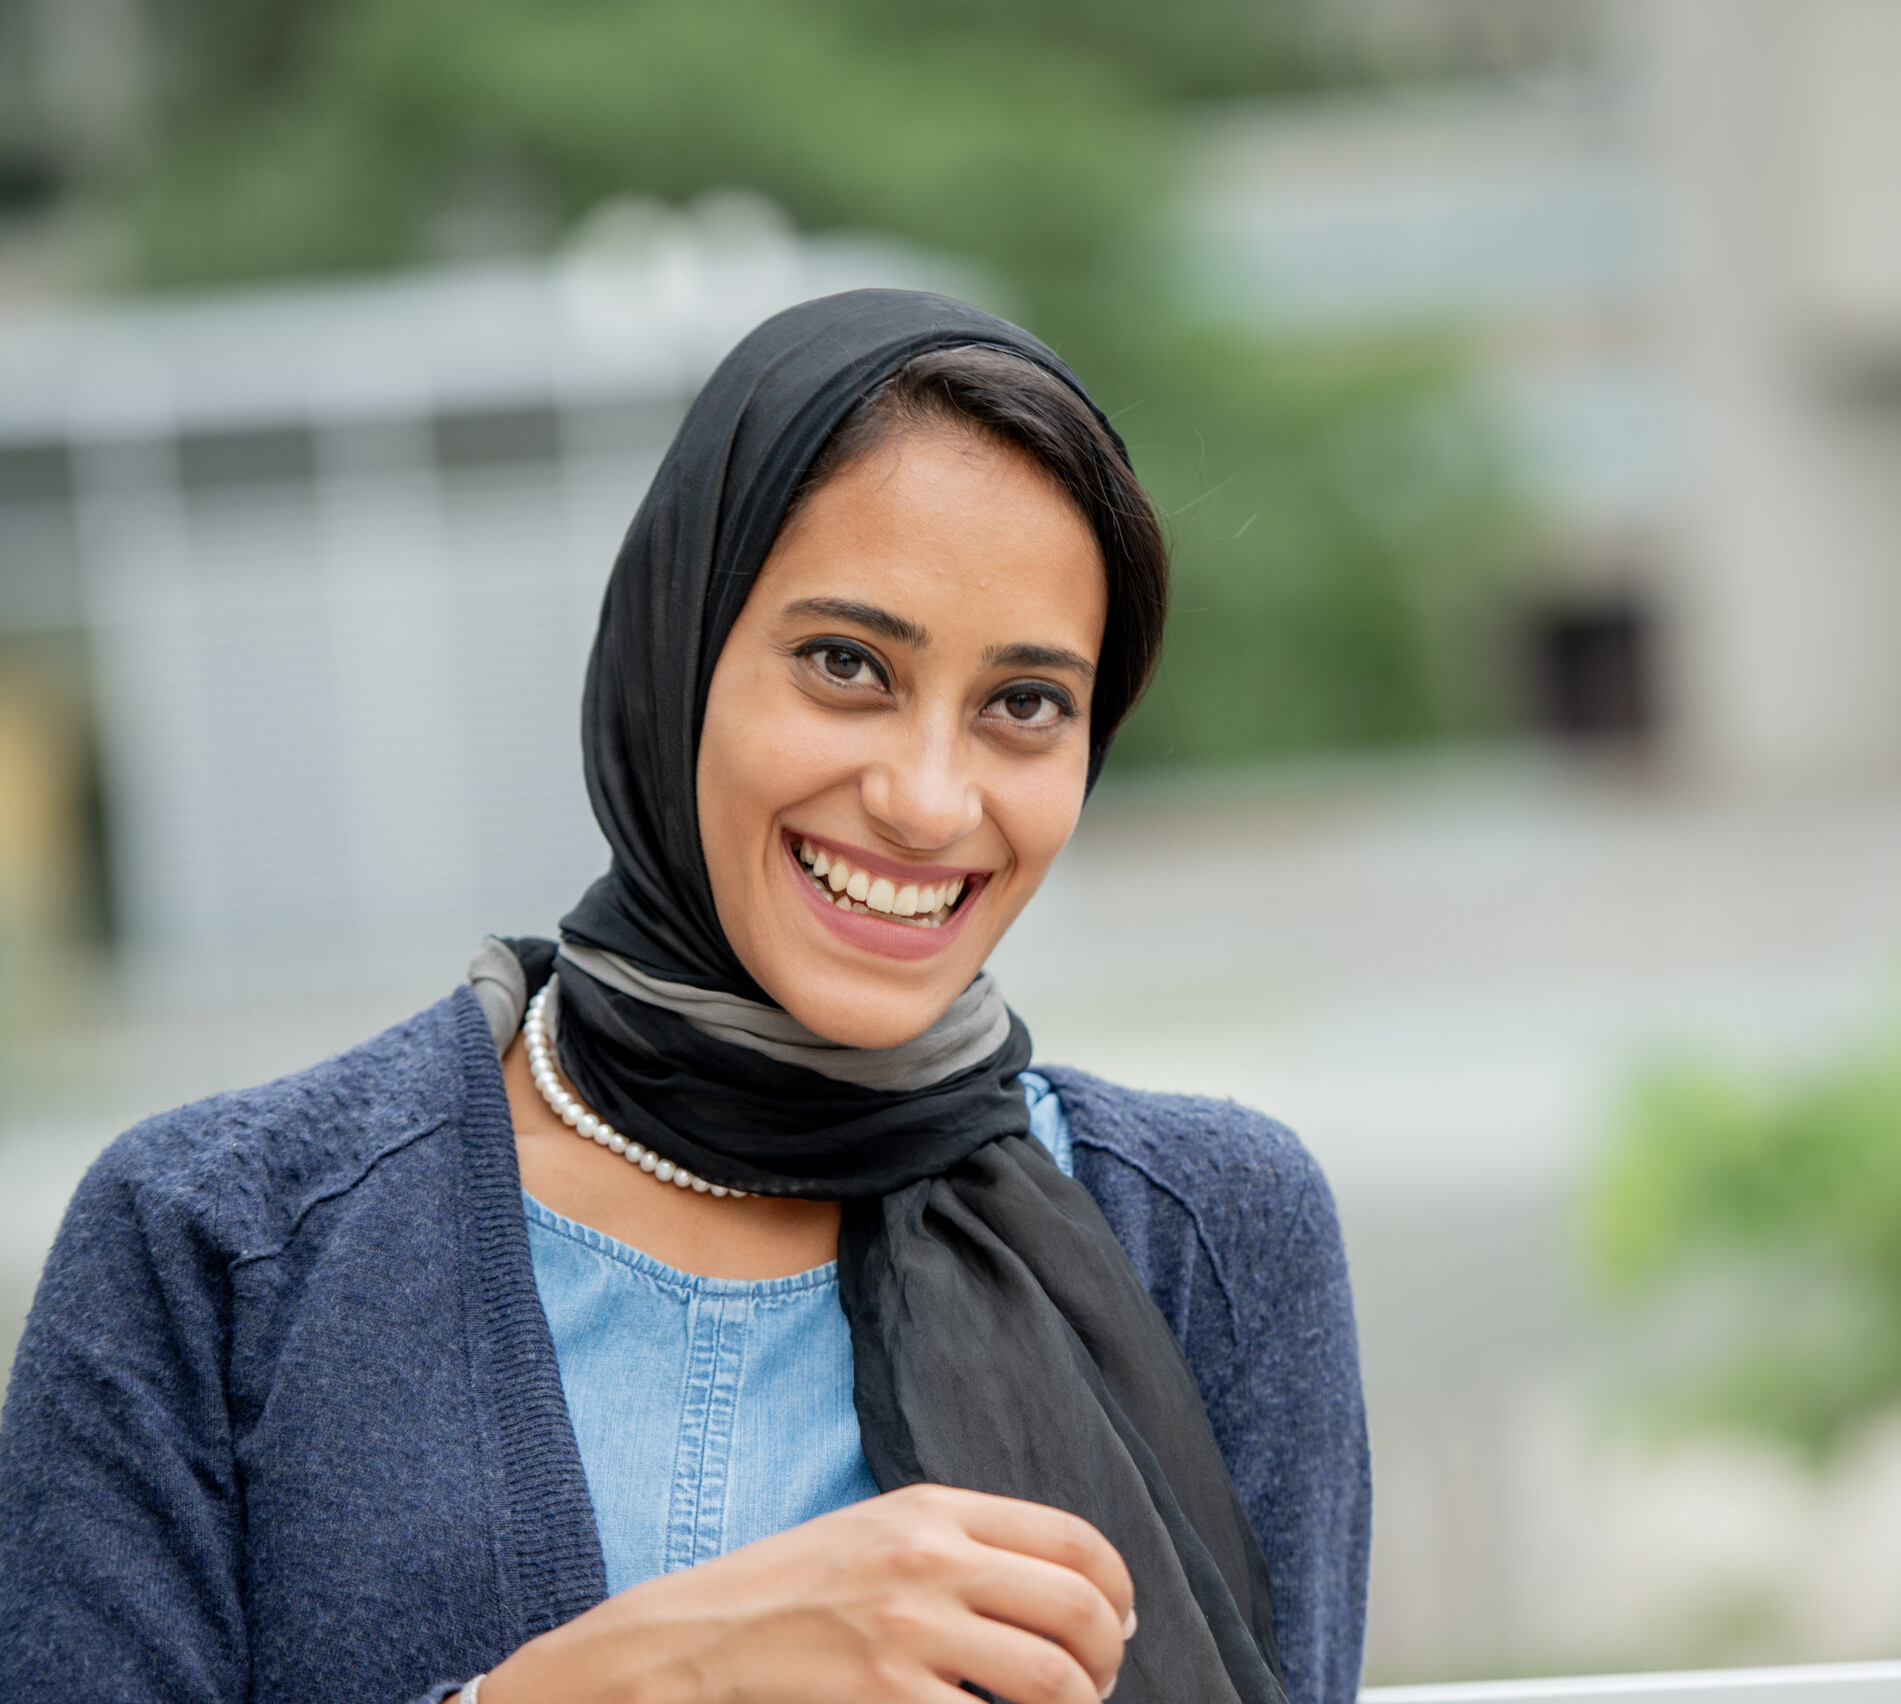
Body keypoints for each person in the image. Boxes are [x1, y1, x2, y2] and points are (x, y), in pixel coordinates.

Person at [0, 291, 1369, 1704]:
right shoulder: (221, 1246)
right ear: (676, 654)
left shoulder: (1208, 1233)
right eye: (847, 665)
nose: (926, 798)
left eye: (1024, 702)